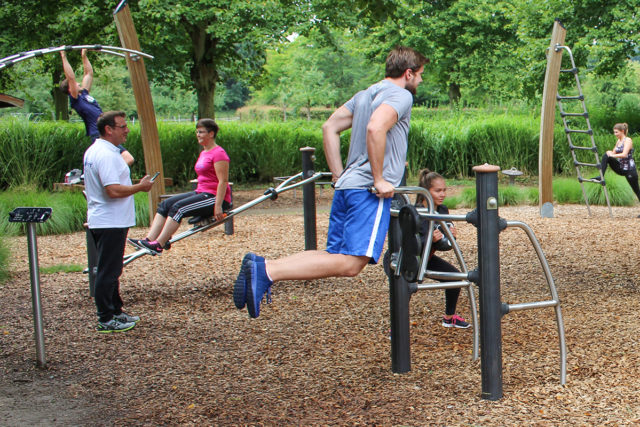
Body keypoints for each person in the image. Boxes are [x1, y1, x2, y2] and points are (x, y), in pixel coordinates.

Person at [234, 46, 428, 318]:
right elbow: (376, 127)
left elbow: (330, 127)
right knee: (351, 264)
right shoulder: (401, 95)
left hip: (348, 185)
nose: (420, 81)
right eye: (420, 75)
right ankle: (268, 271)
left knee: (332, 255)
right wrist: (379, 178)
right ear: (408, 73)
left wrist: (338, 175)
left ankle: (263, 265)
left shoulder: (364, 95)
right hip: (367, 190)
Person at [83, 111, 155, 332]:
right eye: (122, 126)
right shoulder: (105, 154)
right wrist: (140, 187)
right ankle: (105, 317)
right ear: (109, 129)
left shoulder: (98, 151)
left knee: (112, 269)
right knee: (108, 270)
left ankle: (116, 310)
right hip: (109, 221)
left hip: (106, 219)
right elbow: (112, 190)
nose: (126, 130)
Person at [128, 118, 231, 255]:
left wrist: (218, 206)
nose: (198, 135)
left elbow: (223, 181)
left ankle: (159, 244)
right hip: (201, 192)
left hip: (215, 197)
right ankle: (149, 240)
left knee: (178, 208)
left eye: (201, 132)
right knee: (165, 204)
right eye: (197, 132)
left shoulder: (219, 153)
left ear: (211, 134)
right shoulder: (204, 152)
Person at [384, 169, 470, 328]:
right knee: (404, 289)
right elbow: (410, 243)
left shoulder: (442, 210)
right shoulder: (416, 213)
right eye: (437, 191)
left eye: (444, 190)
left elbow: (444, 243)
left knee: (456, 278)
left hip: (425, 258)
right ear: (425, 192)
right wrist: (430, 240)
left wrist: (451, 236)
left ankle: (449, 317)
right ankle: (396, 329)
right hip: (404, 258)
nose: (442, 194)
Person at [60, 48, 134, 166]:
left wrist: (84, 55)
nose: (78, 83)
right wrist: (63, 56)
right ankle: (108, 177)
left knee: (124, 159)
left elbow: (89, 73)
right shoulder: (75, 100)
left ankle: (107, 175)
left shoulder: (84, 94)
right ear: (70, 89)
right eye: (75, 84)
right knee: (127, 158)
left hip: (106, 132)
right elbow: (71, 78)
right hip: (98, 134)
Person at [596, 122, 640, 206]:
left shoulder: (628, 140)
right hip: (621, 168)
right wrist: (609, 152)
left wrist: (612, 154)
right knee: (606, 155)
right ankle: (600, 176)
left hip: (629, 170)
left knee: (637, 190)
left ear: (622, 131)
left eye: (616, 132)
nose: (615, 134)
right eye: (614, 132)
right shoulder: (618, 141)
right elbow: (613, 153)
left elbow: (624, 154)